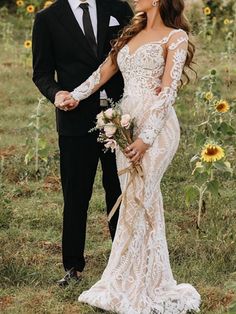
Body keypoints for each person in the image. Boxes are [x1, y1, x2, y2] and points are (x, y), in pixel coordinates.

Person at [60, 0, 202, 312]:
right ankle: (139, 277)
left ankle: (141, 284)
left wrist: (147, 138)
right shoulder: (130, 32)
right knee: (138, 197)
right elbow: (104, 71)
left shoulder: (175, 37)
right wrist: (75, 95)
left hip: (157, 128)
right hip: (125, 123)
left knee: (141, 196)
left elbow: (168, 91)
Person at [32, 0, 133, 287]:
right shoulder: (47, 18)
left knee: (119, 191)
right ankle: (73, 267)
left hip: (120, 118)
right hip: (75, 121)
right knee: (76, 195)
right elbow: (41, 72)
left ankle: (122, 262)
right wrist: (56, 94)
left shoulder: (118, 8)